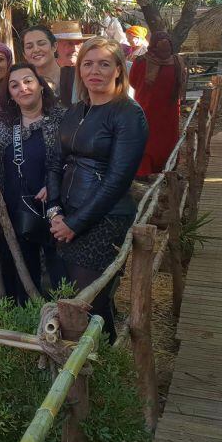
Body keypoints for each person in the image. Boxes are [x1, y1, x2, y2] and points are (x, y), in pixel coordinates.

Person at [49, 37, 148, 340]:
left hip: (104, 221)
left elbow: (117, 180)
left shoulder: (128, 114)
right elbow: (54, 163)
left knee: (88, 302)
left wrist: (75, 225)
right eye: (88, 64)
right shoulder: (76, 111)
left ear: (119, 69)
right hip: (65, 216)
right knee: (69, 295)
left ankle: (98, 369)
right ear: (79, 71)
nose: (95, 71)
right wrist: (55, 212)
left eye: (104, 64)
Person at [0, 64, 66, 304]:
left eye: (28, 81)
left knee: (59, 277)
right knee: (23, 277)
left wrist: (56, 186)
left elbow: (75, 160)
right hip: (16, 213)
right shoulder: (2, 126)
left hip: (58, 212)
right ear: (9, 94)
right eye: (14, 85)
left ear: (41, 85)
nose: (23, 88)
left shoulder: (63, 119)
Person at [129, 31, 186, 177]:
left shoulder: (140, 61)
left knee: (146, 139)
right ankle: (168, 168)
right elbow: (182, 83)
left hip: (146, 108)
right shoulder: (177, 62)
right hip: (170, 110)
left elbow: (133, 82)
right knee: (168, 138)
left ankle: (144, 169)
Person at [51, 20, 93, 105]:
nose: (74, 49)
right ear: (55, 46)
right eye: (69, 44)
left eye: (78, 44)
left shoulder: (89, 71)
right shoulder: (46, 70)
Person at [21, 25, 64, 101]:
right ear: (24, 55)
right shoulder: (23, 87)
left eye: (41, 44)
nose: (36, 50)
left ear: (54, 46)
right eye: (29, 47)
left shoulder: (76, 78)